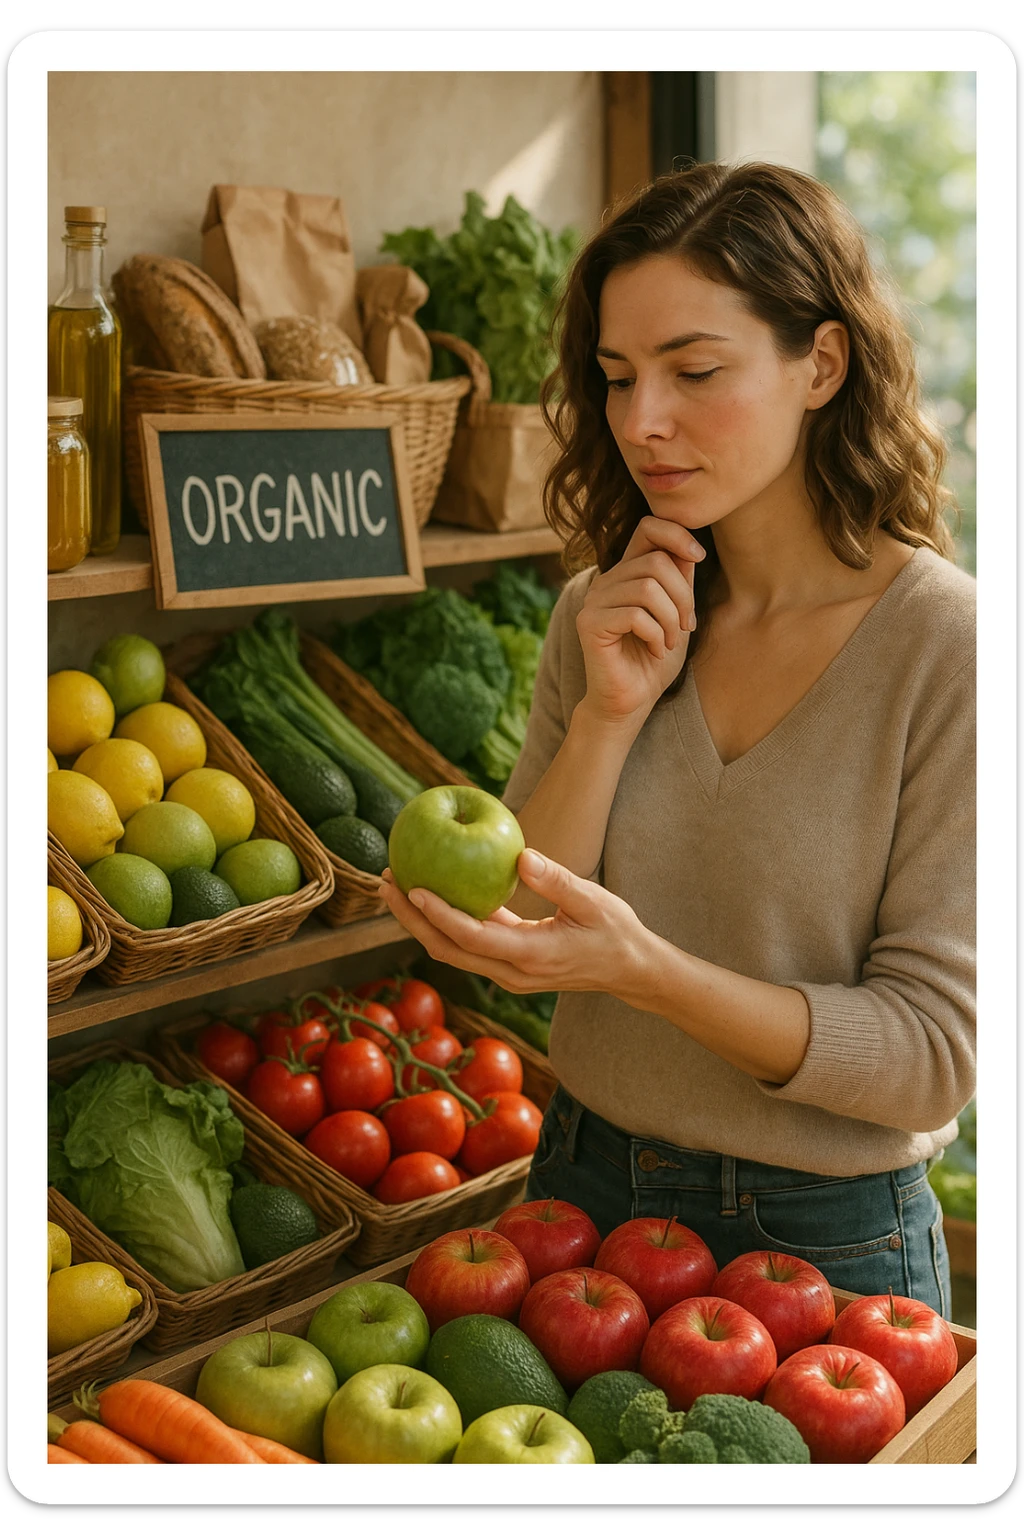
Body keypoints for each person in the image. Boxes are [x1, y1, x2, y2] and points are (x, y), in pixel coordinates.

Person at [380, 160, 976, 1318]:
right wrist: (607, 715)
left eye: (695, 370)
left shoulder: (946, 648)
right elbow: (523, 925)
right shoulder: (598, 615)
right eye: (616, 378)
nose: (641, 420)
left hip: (826, 1252)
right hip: (579, 1192)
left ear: (822, 362)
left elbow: (928, 1053)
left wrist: (646, 975)